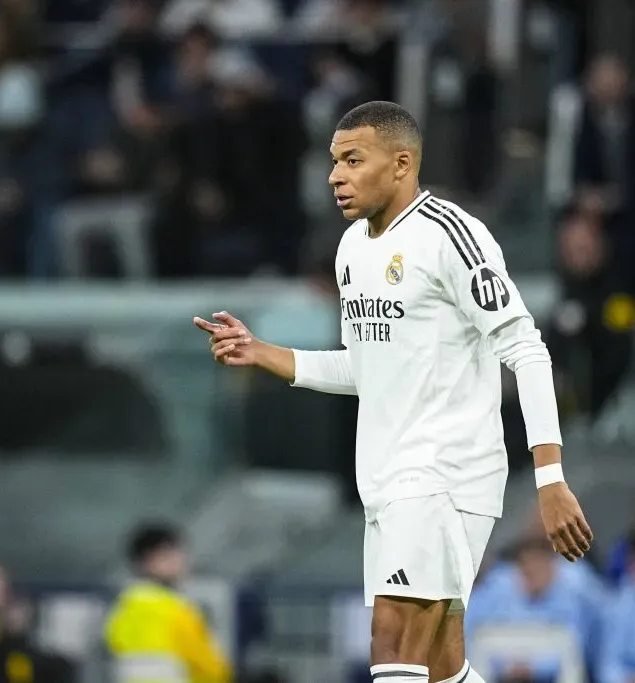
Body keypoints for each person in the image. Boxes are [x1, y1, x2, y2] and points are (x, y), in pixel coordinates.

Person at [193, 101, 594, 683]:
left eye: (354, 160)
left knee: (392, 641)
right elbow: (368, 369)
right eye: (334, 162)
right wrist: (264, 354)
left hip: (444, 472)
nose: (335, 176)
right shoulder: (352, 248)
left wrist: (550, 479)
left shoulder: (452, 236)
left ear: (402, 163)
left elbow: (526, 349)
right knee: (439, 666)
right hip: (387, 479)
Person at [104, 522, 231, 682]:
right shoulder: (176, 610)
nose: (179, 562)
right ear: (148, 561)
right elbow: (212, 669)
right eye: (169, 556)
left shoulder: (122, 610)